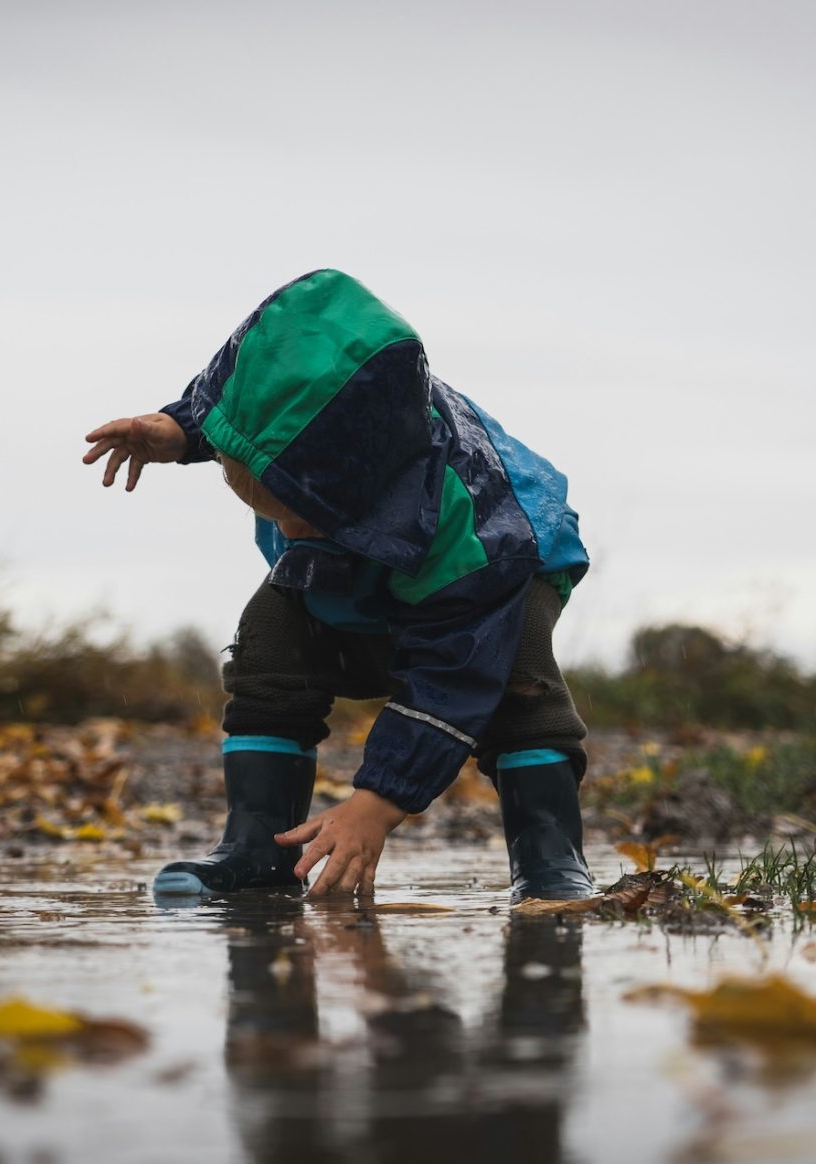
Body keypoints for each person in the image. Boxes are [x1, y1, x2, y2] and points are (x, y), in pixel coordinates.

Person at [82, 269, 593, 902]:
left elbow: (452, 675)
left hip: (507, 565)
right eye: (268, 503)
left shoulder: (472, 542)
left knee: (517, 679)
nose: (290, 532)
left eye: (306, 511)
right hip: (364, 550)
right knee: (271, 633)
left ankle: (549, 860)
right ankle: (256, 847)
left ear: (358, 479)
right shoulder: (289, 433)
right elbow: (251, 404)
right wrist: (181, 430)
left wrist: (374, 805)